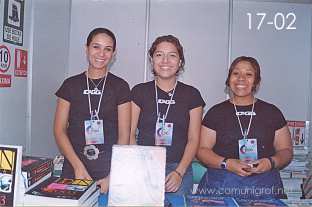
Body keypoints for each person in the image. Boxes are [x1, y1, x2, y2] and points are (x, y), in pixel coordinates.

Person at [196, 56, 293, 199]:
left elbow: (286, 150)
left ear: (256, 81)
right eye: (236, 73)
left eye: (248, 74)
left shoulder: (272, 112)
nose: (241, 78)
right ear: (229, 79)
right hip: (222, 183)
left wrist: (271, 162)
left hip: (264, 184)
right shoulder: (215, 112)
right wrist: (226, 164)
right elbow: (201, 150)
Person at [54, 27, 131, 193]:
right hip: (74, 168)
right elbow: (59, 130)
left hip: (109, 171)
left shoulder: (120, 86)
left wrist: (114, 175)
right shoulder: (70, 85)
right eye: (96, 47)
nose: (101, 54)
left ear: (113, 53)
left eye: (107, 49)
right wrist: (77, 167)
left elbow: (124, 134)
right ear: (86, 48)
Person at [130, 35, 205, 196]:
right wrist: (142, 167)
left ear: (180, 62)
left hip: (178, 168)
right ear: (152, 60)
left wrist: (179, 172)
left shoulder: (192, 95)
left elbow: (194, 139)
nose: (165, 60)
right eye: (159, 55)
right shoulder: (138, 92)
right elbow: (129, 134)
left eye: (172, 55)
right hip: (143, 166)